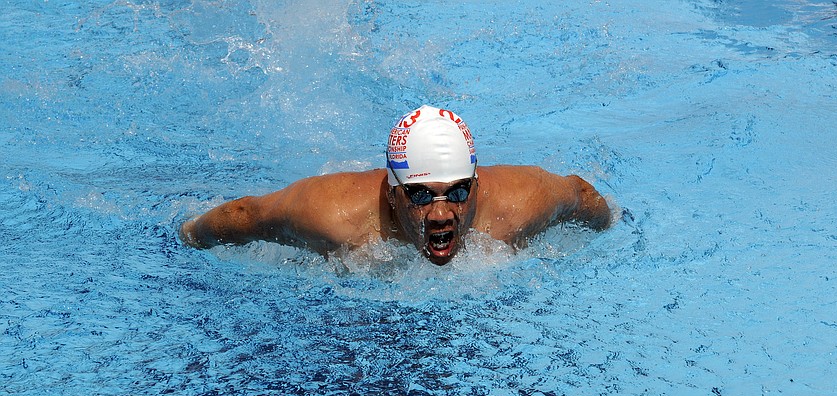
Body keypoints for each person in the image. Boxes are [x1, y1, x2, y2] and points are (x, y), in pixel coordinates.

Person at [179, 105, 612, 265]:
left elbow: (582, 196)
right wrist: (190, 233)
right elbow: (247, 215)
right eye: (421, 195)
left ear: (477, 185)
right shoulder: (333, 215)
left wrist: (611, 226)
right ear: (392, 193)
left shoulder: (521, 202)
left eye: (458, 191)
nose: (442, 213)